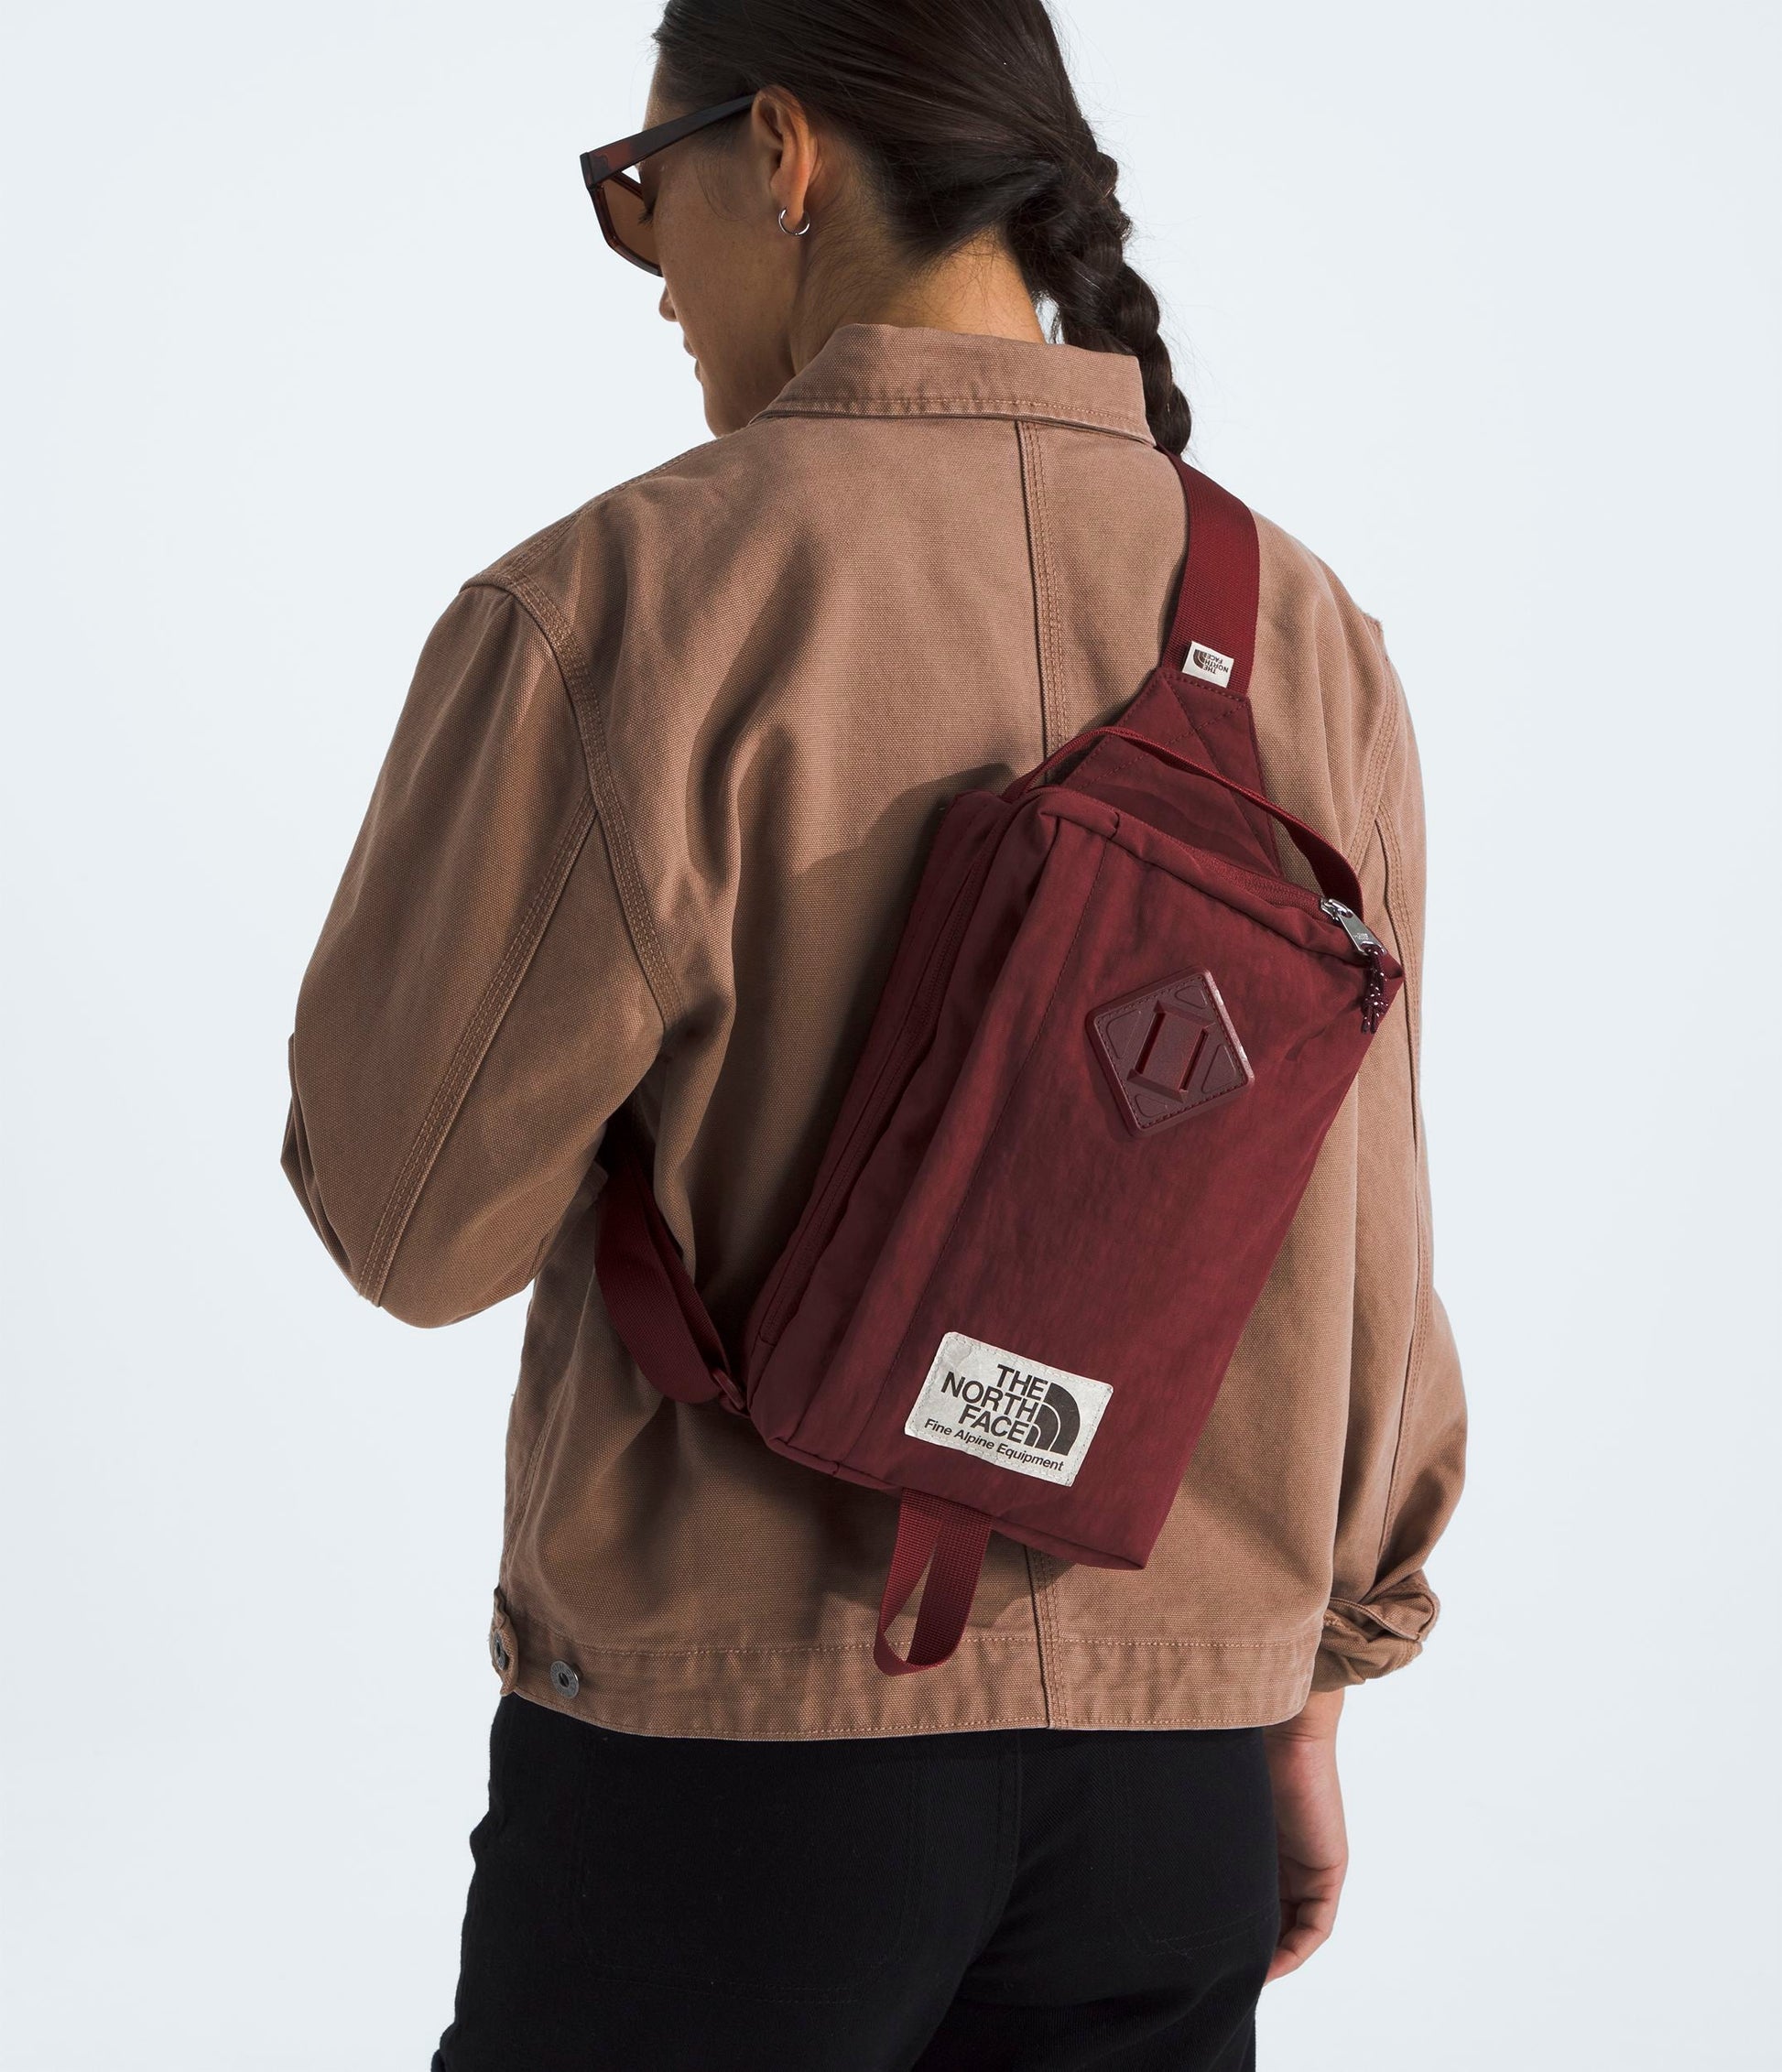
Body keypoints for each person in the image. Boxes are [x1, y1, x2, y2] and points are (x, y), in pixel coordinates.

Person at [279, 3, 1465, 2066]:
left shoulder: (622, 602)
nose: (651, 272)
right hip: (1172, 1778)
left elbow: (411, 1228)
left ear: (786, 154)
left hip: (731, 1764)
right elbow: (1368, 1244)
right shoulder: (1304, 629)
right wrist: (1310, 1689)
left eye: (642, 191)